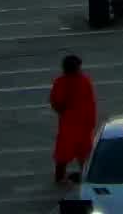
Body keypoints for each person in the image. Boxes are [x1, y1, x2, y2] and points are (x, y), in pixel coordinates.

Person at [49, 54, 97, 186]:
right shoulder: (84, 81)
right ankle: (85, 175)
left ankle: (60, 177)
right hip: (82, 122)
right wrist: (91, 120)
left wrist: (63, 112)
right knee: (83, 151)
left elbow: (55, 102)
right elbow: (91, 102)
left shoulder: (61, 82)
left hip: (69, 122)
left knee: (64, 151)